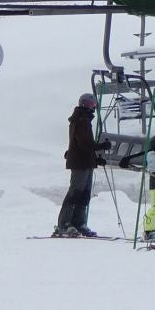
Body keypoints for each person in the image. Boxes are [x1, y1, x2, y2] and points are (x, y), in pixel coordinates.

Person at [54, 93, 101, 237]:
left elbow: (81, 144)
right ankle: (65, 224)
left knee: (85, 193)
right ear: (87, 105)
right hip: (80, 162)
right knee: (76, 192)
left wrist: (95, 158)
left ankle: (79, 223)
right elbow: (83, 144)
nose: (93, 108)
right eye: (92, 105)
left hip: (85, 161)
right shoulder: (81, 120)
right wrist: (99, 147)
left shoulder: (84, 119)